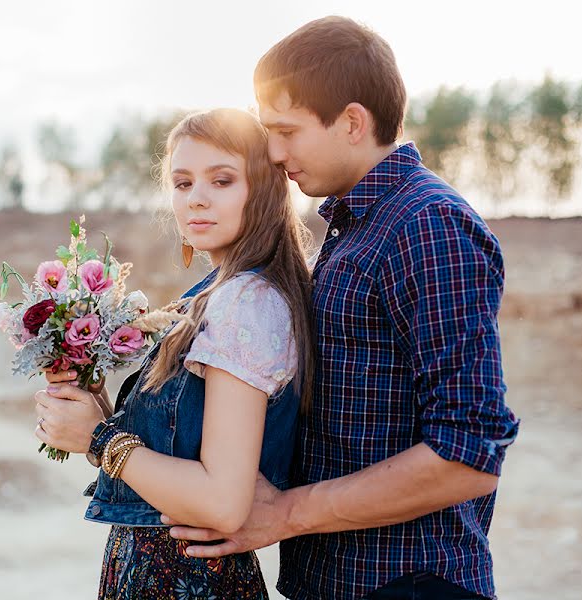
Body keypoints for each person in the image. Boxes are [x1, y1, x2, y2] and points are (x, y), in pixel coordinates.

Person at [164, 16, 521, 600]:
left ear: (353, 122)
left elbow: (468, 453)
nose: (274, 153)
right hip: (333, 581)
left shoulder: (426, 225)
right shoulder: (353, 226)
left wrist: (288, 513)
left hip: (407, 583)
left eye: (287, 131)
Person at [33, 107, 315, 598]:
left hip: (190, 580)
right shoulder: (217, 291)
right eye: (183, 184)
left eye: (222, 180)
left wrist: (101, 441)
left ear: (265, 192)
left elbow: (224, 502)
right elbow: (173, 459)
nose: (197, 199)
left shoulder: (245, 303)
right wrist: (100, 415)